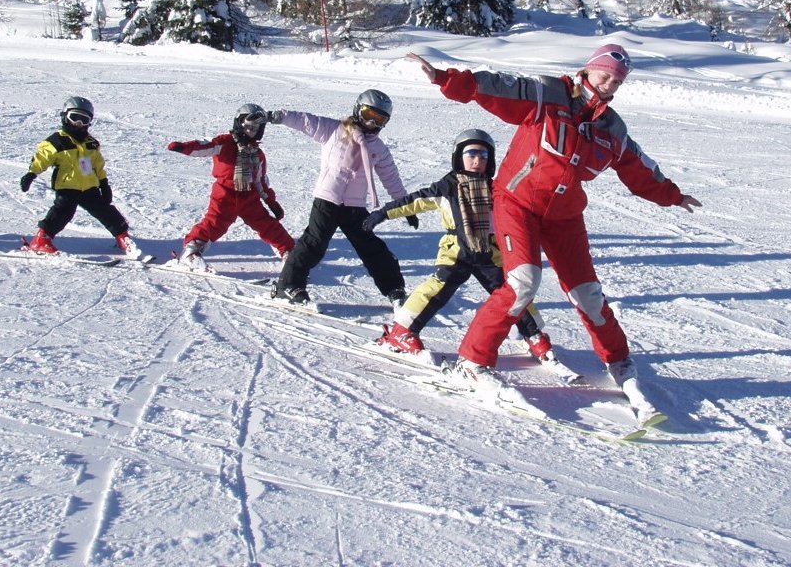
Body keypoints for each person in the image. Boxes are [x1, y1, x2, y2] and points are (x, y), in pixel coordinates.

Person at [406, 45, 702, 419]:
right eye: (604, 74)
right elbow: (498, 86)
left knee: (588, 295)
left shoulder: (611, 127)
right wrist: (447, 79)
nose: (609, 84)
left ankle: (620, 362)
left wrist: (671, 195)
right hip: (518, 201)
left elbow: (638, 166)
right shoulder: (550, 94)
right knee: (523, 282)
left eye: (617, 80)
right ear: (588, 69)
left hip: (563, 215)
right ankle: (472, 361)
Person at [362, 128, 558, 365]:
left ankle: (534, 335)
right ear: (459, 157)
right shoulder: (447, 187)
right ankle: (400, 332)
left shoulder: (496, 188)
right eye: (471, 154)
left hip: (490, 253)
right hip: (457, 252)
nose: (477, 161)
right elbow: (414, 201)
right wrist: (382, 213)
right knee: (434, 291)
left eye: (484, 156)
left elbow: (522, 204)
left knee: (513, 291)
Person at [264, 89, 414, 306]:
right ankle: (288, 286)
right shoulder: (334, 130)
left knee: (371, 247)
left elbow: (391, 178)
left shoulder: (378, 149)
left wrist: (406, 207)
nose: (372, 123)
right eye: (368, 115)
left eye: (379, 119)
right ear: (357, 109)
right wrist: (279, 116)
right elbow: (306, 121)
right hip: (327, 199)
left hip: (355, 206)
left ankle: (395, 290)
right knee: (313, 243)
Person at [167, 104, 294, 270]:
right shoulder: (224, 143)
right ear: (239, 124)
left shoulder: (257, 154)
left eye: (256, 128)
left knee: (266, 224)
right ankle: (191, 252)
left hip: (249, 197)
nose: (251, 131)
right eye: (248, 126)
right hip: (224, 194)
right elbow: (204, 147)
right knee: (215, 223)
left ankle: (289, 252)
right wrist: (185, 148)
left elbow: (260, 182)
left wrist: (271, 202)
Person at [20, 96, 141, 257]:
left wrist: (104, 183)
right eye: (75, 118)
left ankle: (122, 237)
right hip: (67, 186)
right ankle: (41, 240)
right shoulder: (57, 141)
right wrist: (31, 173)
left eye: (84, 119)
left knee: (106, 211)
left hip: (89, 186)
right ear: (65, 117)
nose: (79, 123)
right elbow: (42, 157)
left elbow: (97, 164)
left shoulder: (91, 143)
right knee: (62, 213)